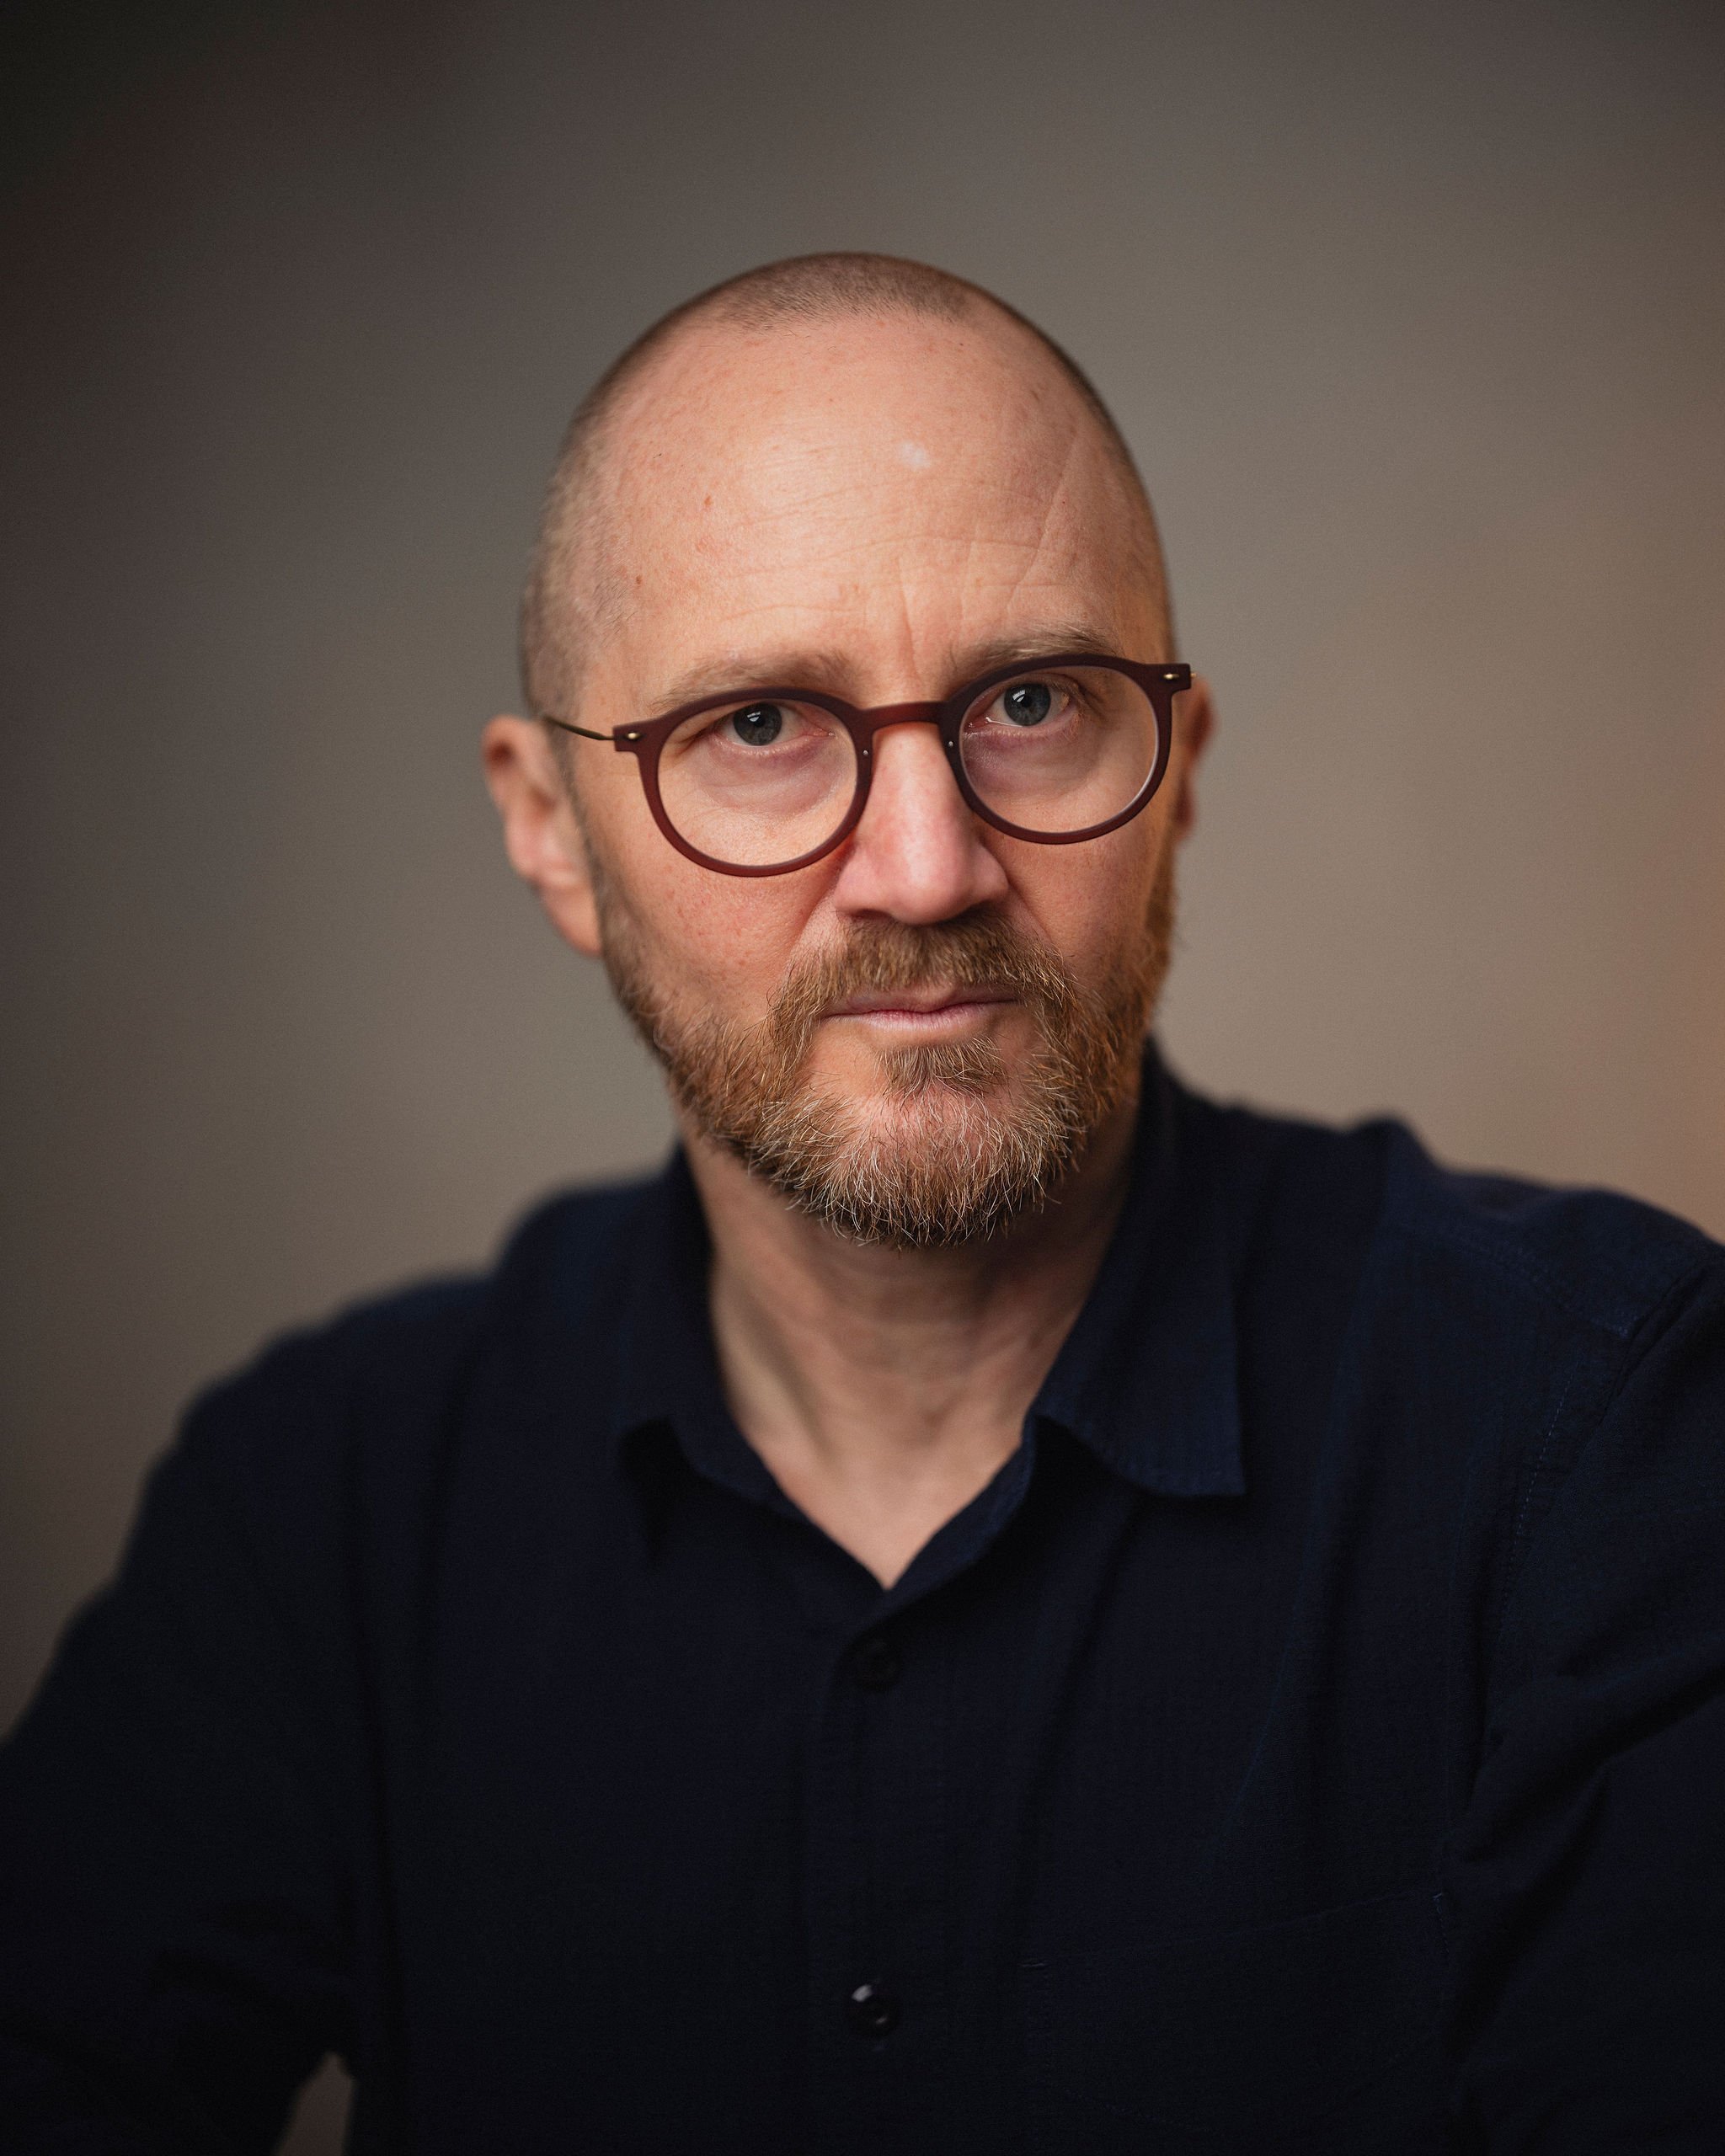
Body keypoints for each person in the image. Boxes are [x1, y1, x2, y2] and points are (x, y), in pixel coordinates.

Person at [2, 252, 1722, 2155]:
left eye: (1033, 699)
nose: (924, 867)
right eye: (757, 725)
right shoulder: (326, 1509)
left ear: (1178, 772)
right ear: (550, 831)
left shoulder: (1602, 1435)